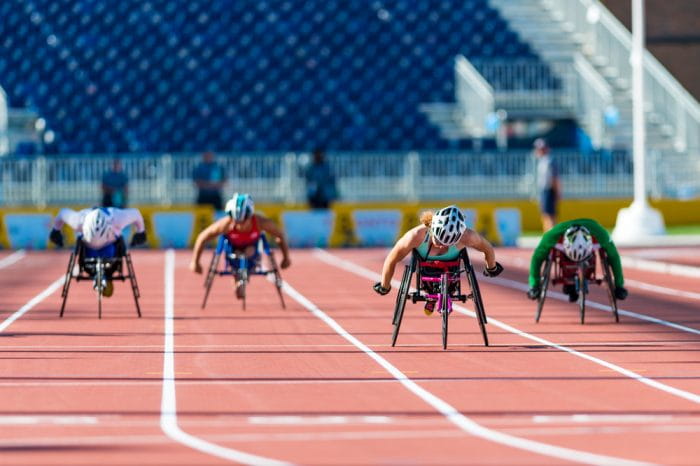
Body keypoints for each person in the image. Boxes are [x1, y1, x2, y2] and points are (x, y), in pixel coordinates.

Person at [372, 205, 504, 315]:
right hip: (425, 272)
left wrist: (491, 267)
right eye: (438, 240)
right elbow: (392, 258)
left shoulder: (467, 236)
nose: (440, 245)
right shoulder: (415, 236)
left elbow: (487, 248)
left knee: (452, 279)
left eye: (447, 243)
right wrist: (385, 285)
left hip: (452, 272)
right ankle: (431, 296)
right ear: (432, 228)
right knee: (428, 281)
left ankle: (443, 294)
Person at [189, 193, 291, 298]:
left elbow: (280, 235)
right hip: (233, 251)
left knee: (249, 251)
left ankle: (242, 279)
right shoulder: (226, 224)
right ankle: (238, 280)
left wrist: (286, 258)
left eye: (242, 222)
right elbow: (202, 237)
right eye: (236, 221)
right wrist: (195, 262)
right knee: (236, 254)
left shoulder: (261, 222)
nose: (238, 225)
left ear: (250, 216)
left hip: (252, 251)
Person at [48, 207, 147, 297]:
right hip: (88, 252)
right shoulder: (78, 221)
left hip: (110, 250)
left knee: (111, 250)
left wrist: (141, 232)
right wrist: (55, 231)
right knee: (89, 253)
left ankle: (104, 274)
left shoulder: (117, 219)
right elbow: (62, 213)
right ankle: (98, 275)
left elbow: (136, 214)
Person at [526, 218, 628, 303]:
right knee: (554, 256)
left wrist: (619, 285)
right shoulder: (551, 236)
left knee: (606, 255)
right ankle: (569, 284)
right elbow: (537, 258)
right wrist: (534, 284)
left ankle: (580, 279)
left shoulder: (601, 234)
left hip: (590, 250)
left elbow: (614, 257)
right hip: (564, 254)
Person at [534, 138, 560, 231]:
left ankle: (551, 237)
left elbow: (555, 179)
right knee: (545, 215)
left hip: (549, 190)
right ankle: (548, 235)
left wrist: (557, 192)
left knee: (550, 216)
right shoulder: (542, 161)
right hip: (544, 190)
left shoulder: (550, 161)